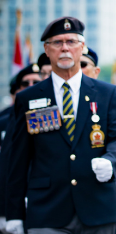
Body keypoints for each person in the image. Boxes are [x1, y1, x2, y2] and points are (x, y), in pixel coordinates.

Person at [5, 16, 116, 234]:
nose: (65, 48)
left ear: (82, 47)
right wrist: (13, 212)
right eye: (57, 42)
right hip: (47, 208)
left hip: (98, 205)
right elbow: (18, 158)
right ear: (47, 49)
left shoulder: (106, 93)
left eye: (71, 42)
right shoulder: (29, 98)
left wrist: (111, 161)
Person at [80, 47, 116, 234]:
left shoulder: (107, 98)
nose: (77, 69)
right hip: (55, 205)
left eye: (83, 64)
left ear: (96, 71)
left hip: (98, 200)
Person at [0, 64, 45, 230]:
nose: (31, 88)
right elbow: (9, 163)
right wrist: (9, 210)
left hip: (45, 199)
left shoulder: (48, 114)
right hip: (16, 201)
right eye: (26, 84)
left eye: (37, 82)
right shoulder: (6, 119)